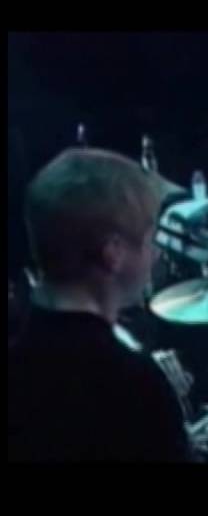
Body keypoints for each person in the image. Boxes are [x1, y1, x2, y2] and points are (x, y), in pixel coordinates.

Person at [8, 148, 191, 462]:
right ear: (113, 254)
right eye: (150, 239)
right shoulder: (135, 386)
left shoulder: (16, 365)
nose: (156, 254)